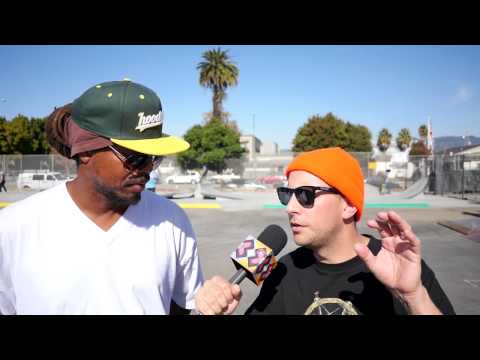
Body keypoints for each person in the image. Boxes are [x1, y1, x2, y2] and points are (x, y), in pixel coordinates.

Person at [0, 80, 204, 315]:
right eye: (136, 156)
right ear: (86, 151)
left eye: (154, 157)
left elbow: (181, 305)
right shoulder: (13, 228)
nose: (148, 168)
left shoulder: (172, 221)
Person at [194, 147, 455, 315]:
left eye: (306, 195)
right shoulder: (282, 272)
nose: (290, 208)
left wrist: (414, 296)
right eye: (287, 195)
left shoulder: (399, 267)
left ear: (349, 206)